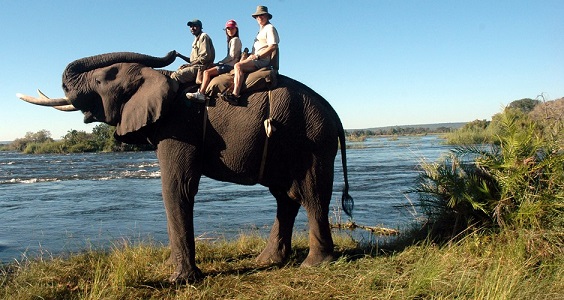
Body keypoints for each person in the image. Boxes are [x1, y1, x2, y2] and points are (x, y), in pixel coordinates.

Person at [224, 6, 279, 105]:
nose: (259, 18)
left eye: (262, 15)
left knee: (238, 66)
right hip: (256, 58)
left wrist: (257, 56)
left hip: (261, 60)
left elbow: (273, 46)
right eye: (257, 16)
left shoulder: (270, 28)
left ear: (267, 16)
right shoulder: (261, 30)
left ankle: (235, 95)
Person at [186, 19, 242, 102]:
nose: (230, 30)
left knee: (206, 72)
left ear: (236, 29)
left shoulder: (235, 40)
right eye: (228, 29)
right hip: (229, 64)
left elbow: (231, 56)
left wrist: (219, 63)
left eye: (232, 28)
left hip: (229, 65)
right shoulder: (232, 40)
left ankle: (201, 93)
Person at [171, 19, 215, 85]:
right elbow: (193, 60)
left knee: (175, 75)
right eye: (191, 26)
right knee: (178, 70)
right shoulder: (196, 39)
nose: (192, 28)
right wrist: (180, 56)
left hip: (201, 67)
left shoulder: (203, 36)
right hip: (195, 66)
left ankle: (172, 94)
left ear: (200, 27)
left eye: (195, 26)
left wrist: (189, 65)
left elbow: (205, 57)